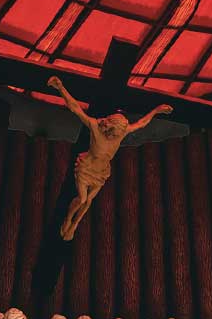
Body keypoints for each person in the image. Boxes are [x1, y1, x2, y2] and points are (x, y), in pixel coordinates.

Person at [47, 75, 173, 240]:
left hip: (102, 171)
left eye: (120, 133)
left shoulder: (120, 133)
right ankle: (68, 219)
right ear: (110, 127)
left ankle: (75, 224)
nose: (118, 136)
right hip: (87, 168)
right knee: (83, 198)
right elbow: (75, 108)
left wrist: (157, 111)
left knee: (89, 201)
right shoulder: (95, 126)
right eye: (116, 133)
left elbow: (141, 124)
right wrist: (61, 88)